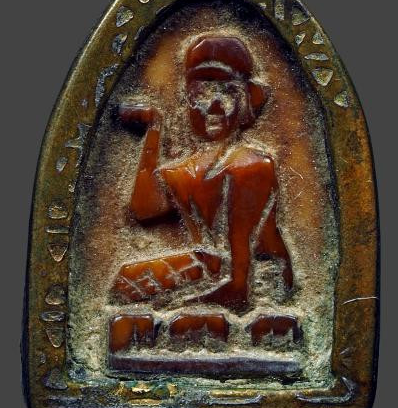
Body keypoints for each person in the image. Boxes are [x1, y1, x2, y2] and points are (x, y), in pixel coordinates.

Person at [114, 35, 293, 314]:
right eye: (203, 93)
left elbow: (239, 283)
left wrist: (174, 307)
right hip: (212, 269)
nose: (214, 105)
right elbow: (144, 208)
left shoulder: (251, 165)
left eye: (227, 92)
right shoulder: (186, 170)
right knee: (125, 281)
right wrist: (154, 129)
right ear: (187, 99)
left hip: (259, 282)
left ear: (246, 100)